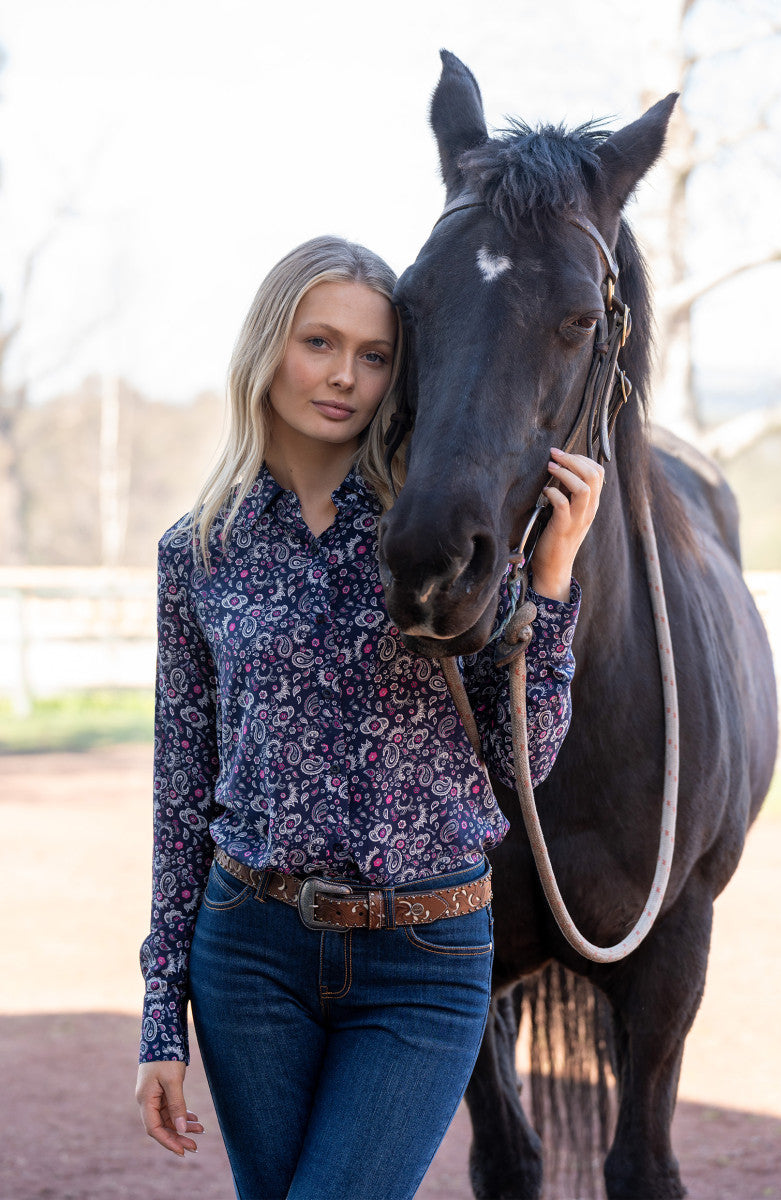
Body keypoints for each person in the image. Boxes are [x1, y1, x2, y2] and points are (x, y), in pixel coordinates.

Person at [135, 235, 604, 1200]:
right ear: (268, 348)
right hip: (247, 954)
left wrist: (549, 583)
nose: (345, 376)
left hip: (421, 959)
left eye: (376, 354)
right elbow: (182, 791)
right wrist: (159, 1020)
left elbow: (527, 761)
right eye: (319, 342)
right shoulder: (196, 551)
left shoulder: (438, 530)